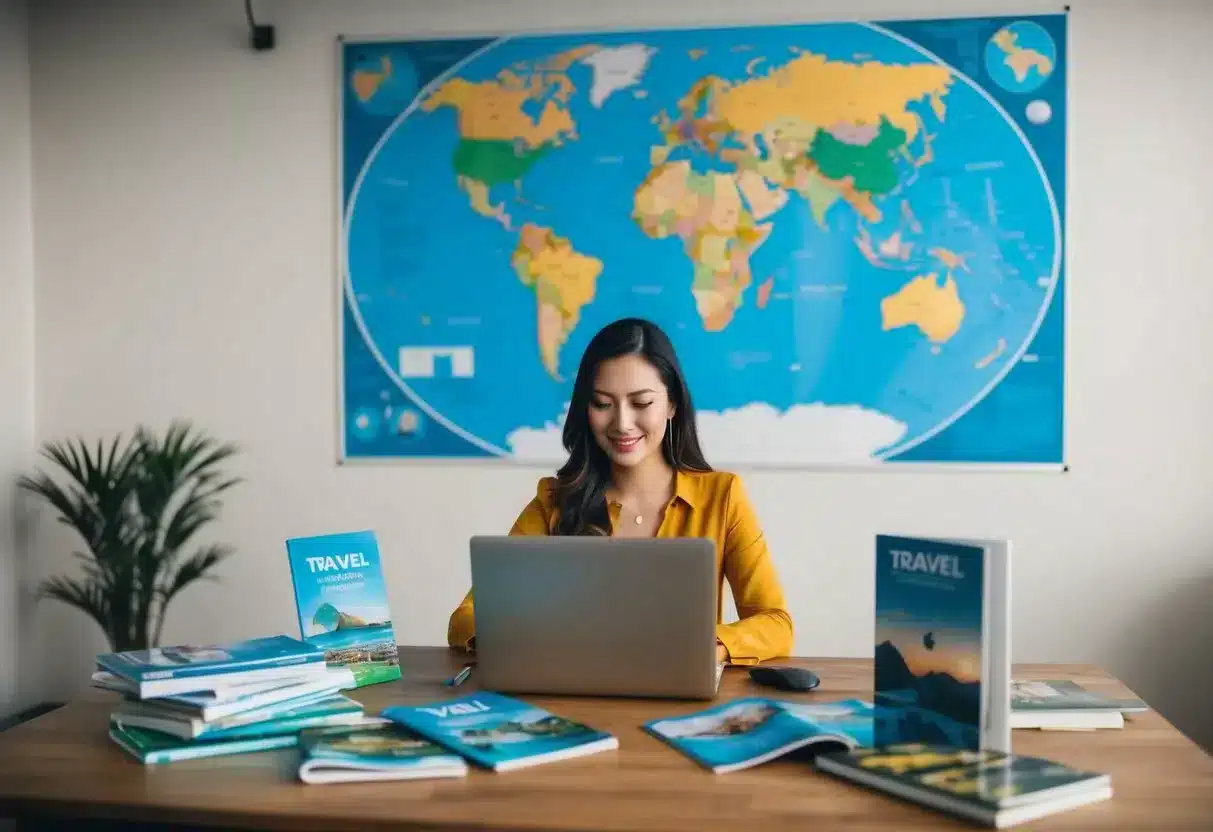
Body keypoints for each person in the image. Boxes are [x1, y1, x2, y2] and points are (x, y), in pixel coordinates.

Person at [446, 317, 793, 665]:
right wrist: (528, 639)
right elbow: (466, 617)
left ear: (672, 404)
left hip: (682, 699)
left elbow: (777, 624)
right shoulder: (554, 501)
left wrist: (710, 647)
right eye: (602, 404)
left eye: (642, 403)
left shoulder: (723, 496)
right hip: (574, 695)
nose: (622, 423)